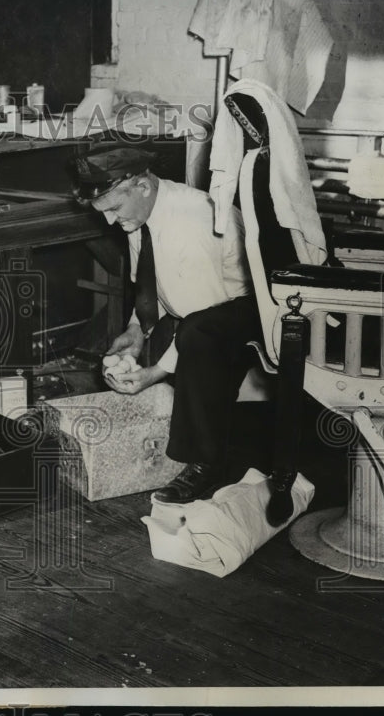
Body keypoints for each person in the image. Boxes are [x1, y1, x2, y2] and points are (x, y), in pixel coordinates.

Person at [72, 146, 258, 503]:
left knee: (197, 338)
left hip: (252, 313)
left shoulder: (192, 222)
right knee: (190, 334)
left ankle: (207, 463)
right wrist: (136, 330)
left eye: (113, 209)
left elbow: (199, 316)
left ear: (142, 185)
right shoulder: (142, 211)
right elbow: (150, 282)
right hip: (199, 311)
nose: (110, 221)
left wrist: (154, 372)